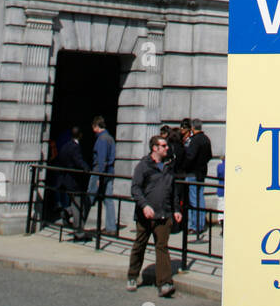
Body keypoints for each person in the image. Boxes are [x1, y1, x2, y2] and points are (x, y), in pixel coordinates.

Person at [127, 135, 182, 296]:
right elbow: (135, 188)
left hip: (164, 214)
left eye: (166, 146)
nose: (167, 148)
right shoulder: (143, 166)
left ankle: (164, 283)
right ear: (155, 148)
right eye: (163, 146)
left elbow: (173, 191)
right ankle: (132, 275)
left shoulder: (169, 166)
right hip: (145, 215)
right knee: (140, 244)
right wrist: (144, 205)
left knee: (162, 247)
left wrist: (176, 210)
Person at [56, 127, 91, 240]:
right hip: (74, 181)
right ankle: (79, 232)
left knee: (79, 203)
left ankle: (66, 211)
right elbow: (78, 160)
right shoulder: (75, 147)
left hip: (66, 180)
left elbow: (61, 159)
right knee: (78, 206)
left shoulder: (65, 146)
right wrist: (87, 168)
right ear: (80, 135)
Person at [181, 119, 212, 238]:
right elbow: (209, 156)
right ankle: (200, 224)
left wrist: (185, 166)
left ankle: (195, 226)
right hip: (202, 172)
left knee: (194, 199)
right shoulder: (206, 139)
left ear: (193, 128)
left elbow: (190, 156)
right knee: (200, 198)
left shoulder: (195, 140)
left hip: (193, 173)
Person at [88, 116, 117, 237]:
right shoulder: (110, 138)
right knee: (108, 200)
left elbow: (101, 159)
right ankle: (111, 227)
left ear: (96, 126)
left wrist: (100, 176)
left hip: (99, 172)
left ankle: (79, 222)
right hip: (109, 172)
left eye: (93, 128)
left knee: (89, 196)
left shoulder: (102, 139)